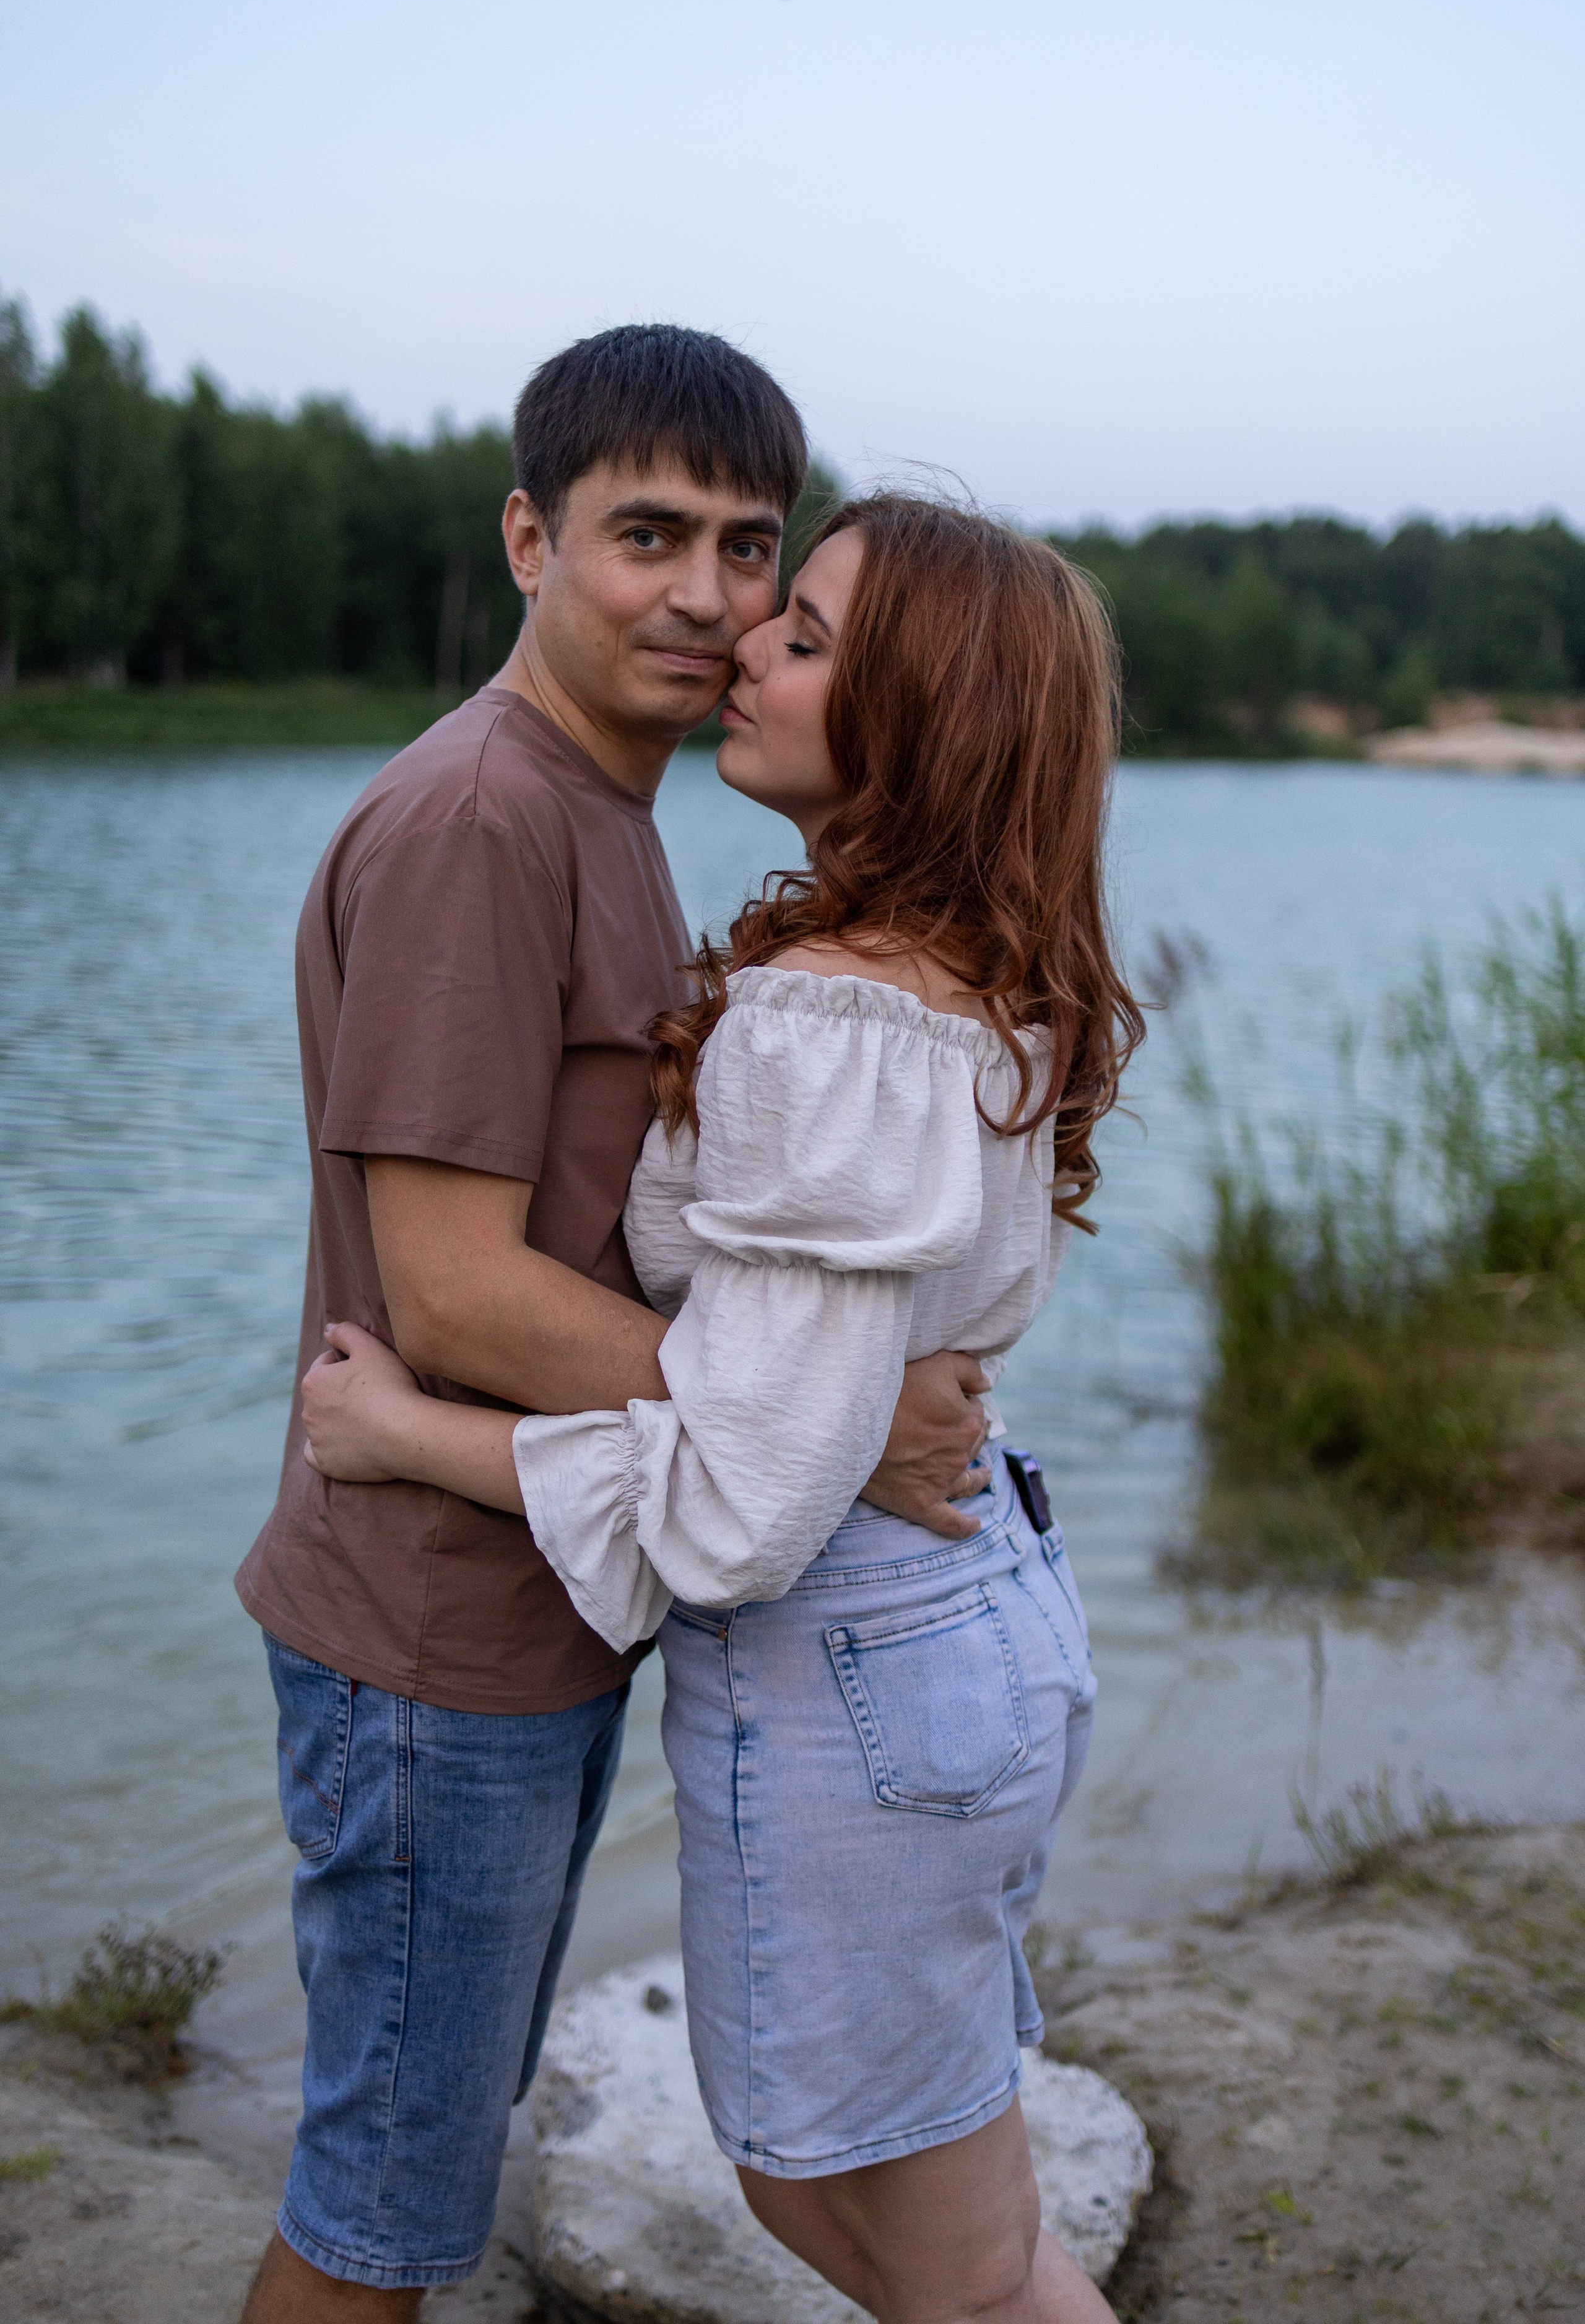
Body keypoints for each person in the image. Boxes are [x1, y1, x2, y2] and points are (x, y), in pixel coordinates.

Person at [300, 492, 1144, 2324]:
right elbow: (810, 1393)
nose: (744, 637)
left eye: (809, 629)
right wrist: (858, 1401)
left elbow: (750, 1495)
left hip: (864, 1669)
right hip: (971, 1621)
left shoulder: (835, 1017)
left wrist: (410, 1436)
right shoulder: (955, 976)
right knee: (953, 2245)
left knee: (912, 2248)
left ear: (930, 719)